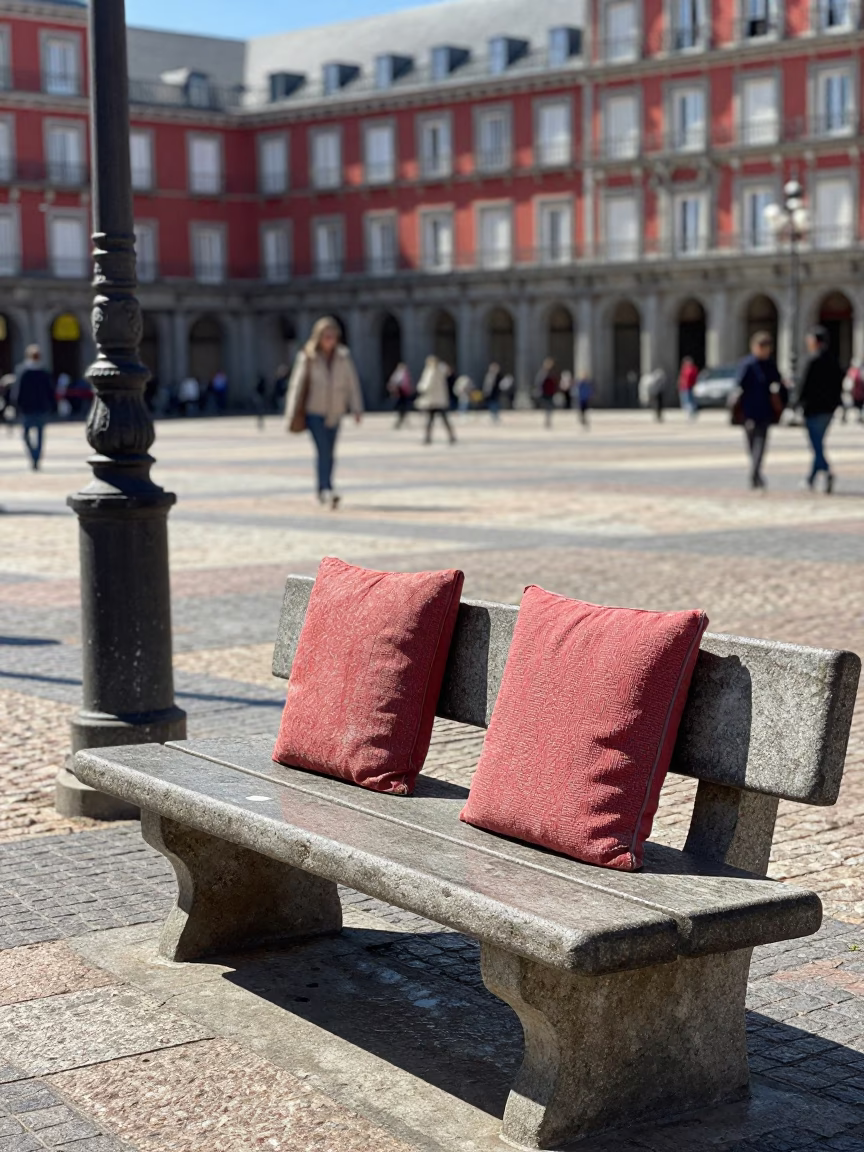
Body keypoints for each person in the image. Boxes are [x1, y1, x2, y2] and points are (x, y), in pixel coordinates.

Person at [285, 316, 363, 509]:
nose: (330, 339)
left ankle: (325, 487)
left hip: (335, 411)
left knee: (331, 451)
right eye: (326, 336)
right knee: (323, 450)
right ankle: (326, 488)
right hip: (314, 411)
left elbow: (352, 384)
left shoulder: (344, 357)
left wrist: (357, 408)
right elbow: (297, 385)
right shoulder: (308, 357)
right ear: (318, 337)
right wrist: (291, 412)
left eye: (333, 336)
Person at [796, 326, 844, 493]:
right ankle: (811, 478)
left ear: (816, 342)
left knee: (816, 445)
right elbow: (839, 385)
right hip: (829, 409)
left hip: (813, 409)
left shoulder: (812, 361)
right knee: (818, 444)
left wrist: (796, 404)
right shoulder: (834, 360)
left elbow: (804, 386)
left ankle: (827, 471)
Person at [735, 331, 783, 490]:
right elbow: (739, 384)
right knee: (751, 445)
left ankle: (755, 473)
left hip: (765, 411)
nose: (765, 351)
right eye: (762, 347)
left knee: (760, 444)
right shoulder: (747, 364)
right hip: (748, 411)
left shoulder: (770, 364)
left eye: (767, 347)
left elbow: (778, 382)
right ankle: (756, 474)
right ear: (754, 347)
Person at [14, 345, 54, 470]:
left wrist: (16, 405)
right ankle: (36, 456)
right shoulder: (43, 372)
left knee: (26, 434)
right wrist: (52, 405)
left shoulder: (23, 371)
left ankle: (34, 456)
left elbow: (18, 390)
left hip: (27, 408)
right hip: (41, 407)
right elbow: (50, 391)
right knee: (40, 435)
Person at [415, 355, 456, 444]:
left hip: (432, 400)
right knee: (444, 419)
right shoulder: (441, 370)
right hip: (440, 399)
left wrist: (420, 389)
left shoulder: (431, 371)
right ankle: (451, 436)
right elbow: (448, 371)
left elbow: (426, 384)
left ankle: (427, 438)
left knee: (430, 420)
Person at [387, 362, 414, 428]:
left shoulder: (403, 374)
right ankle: (401, 422)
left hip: (403, 393)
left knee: (403, 408)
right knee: (402, 408)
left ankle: (401, 422)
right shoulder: (399, 374)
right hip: (401, 393)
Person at [535, 358, 558, 428]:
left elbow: (554, 382)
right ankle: (547, 419)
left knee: (549, 407)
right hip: (544, 392)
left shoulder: (552, 373)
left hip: (550, 392)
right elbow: (539, 383)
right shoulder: (543, 373)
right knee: (547, 406)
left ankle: (548, 419)